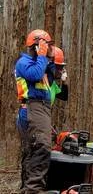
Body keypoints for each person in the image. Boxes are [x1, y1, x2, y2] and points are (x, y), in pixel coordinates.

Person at [15, 29, 56, 194]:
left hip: (41, 109)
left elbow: (50, 77)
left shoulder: (41, 62)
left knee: (34, 149)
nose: (47, 47)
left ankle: (28, 188)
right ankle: (33, 189)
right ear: (35, 45)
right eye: (45, 44)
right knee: (41, 148)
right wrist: (42, 56)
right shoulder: (23, 63)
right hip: (32, 107)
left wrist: (50, 57)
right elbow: (35, 74)